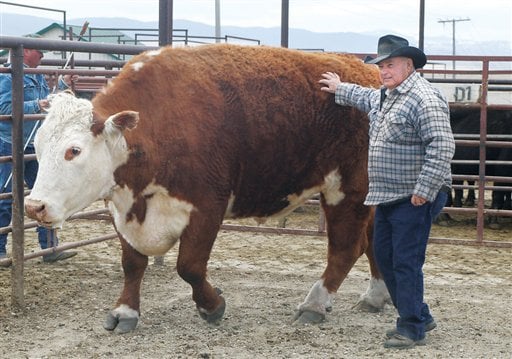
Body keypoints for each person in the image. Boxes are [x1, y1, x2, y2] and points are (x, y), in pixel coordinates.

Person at [319, 34, 455, 349]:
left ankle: (411, 328)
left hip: (415, 196)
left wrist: (424, 189)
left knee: (404, 260)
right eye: (381, 65)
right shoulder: (387, 94)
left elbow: (442, 144)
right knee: (385, 255)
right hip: (388, 195)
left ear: (409, 65)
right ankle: (419, 314)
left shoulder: (424, 97)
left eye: (390, 64)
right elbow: (365, 97)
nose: (383, 71)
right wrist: (340, 88)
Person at [0, 37, 77, 266]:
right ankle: (1, 251)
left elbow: (48, 98)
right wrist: (38, 106)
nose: (43, 56)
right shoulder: (7, 74)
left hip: (33, 144)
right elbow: (4, 107)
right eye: (40, 53)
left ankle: (50, 248)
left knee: (46, 194)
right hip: (9, 142)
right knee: (5, 198)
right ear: (27, 51)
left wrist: (61, 86)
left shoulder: (36, 73)